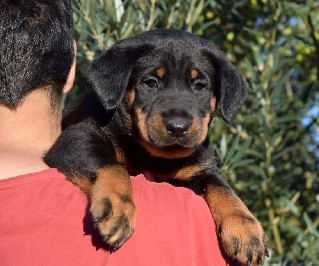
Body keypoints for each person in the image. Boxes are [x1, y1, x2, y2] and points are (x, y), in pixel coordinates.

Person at [0, 1, 228, 265]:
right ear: (71, 64)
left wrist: (233, 210)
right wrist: (113, 179)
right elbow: (75, 145)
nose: (178, 120)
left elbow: (206, 176)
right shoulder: (190, 220)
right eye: (151, 82)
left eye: (200, 85)